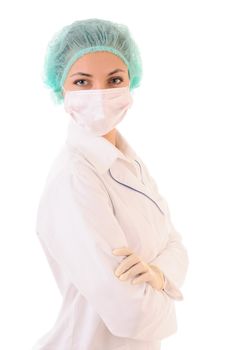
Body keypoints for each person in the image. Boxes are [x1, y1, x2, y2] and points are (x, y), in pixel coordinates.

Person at [32, 18, 189, 350]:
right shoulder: (74, 178)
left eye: (114, 79)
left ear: (131, 83)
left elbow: (175, 244)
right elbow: (131, 313)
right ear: (61, 89)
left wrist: (158, 276)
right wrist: (172, 293)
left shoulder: (127, 161)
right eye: (82, 82)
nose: (99, 95)